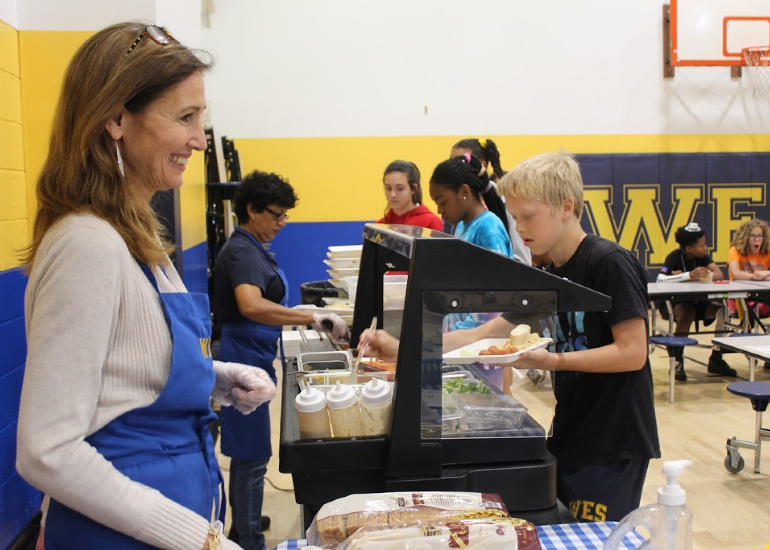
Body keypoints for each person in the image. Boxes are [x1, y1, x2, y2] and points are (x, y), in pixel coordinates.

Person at [16, 22, 274, 549]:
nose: (200, 141)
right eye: (184, 118)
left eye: (201, 120)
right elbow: (46, 448)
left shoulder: (134, 239)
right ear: (115, 119)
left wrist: (215, 378)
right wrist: (195, 537)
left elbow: (122, 380)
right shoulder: (87, 244)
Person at [362, 150, 661, 522]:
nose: (519, 228)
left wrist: (553, 361)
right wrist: (405, 348)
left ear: (566, 207)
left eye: (528, 217)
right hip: (573, 430)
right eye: (515, 217)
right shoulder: (550, 268)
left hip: (615, 441)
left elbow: (633, 353)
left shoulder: (608, 262)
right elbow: (489, 331)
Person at [213, 170, 349, 549]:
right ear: (252, 209)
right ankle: (249, 538)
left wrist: (301, 311)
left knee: (248, 453)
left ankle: (246, 522)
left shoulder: (250, 247)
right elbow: (251, 304)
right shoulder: (242, 250)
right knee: (251, 455)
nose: (281, 223)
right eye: (276, 214)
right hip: (241, 357)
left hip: (251, 352)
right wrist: (309, 317)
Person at [655, 223, 736, 380]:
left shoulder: (703, 258)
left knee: (723, 310)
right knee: (687, 313)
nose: (706, 247)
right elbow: (660, 279)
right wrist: (688, 276)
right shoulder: (674, 257)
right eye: (702, 245)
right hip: (674, 304)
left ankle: (716, 357)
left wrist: (703, 275)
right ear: (689, 249)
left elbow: (719, 274)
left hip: (699, 302)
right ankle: (677, 360)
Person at [450, 138, 531, 265]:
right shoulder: (462, 206)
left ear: (482, 166)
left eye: (460, 164)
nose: (453, 171)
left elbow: (522, 261)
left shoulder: (508, 204)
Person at [377, 160, 443, 231]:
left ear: (413, 189)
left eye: (400, 189)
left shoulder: (431, 223)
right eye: (388, 188)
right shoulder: (380, 225)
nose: (392, 194)